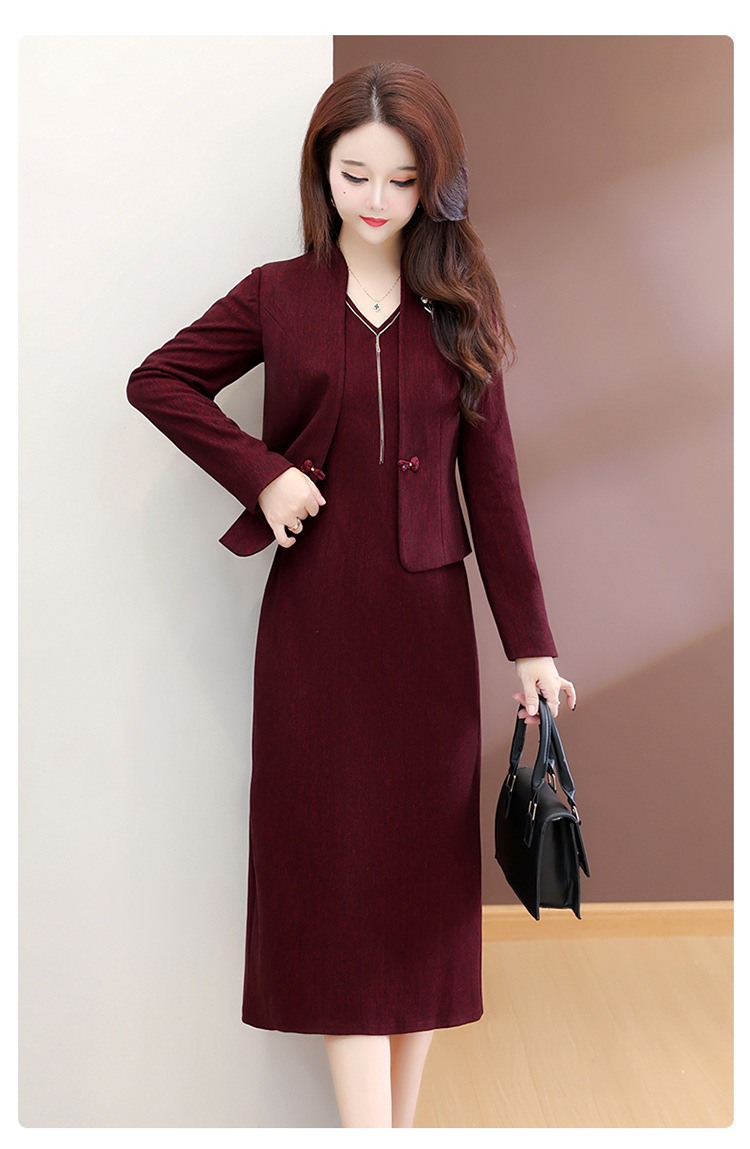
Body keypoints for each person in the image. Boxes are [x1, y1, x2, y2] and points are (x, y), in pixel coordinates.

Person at [126, 60, 576, 1129]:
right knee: (336, 895)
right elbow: (160, 380)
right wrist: (262, 472)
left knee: (419, 905)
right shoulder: (277, 294)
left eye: (402, 180)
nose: (375, 199)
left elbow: (496, 484)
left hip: (426, 639)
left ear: (434, 183)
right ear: (321, 174)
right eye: (354, 174)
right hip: (315, 635)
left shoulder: (459, 302)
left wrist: (531, 647)